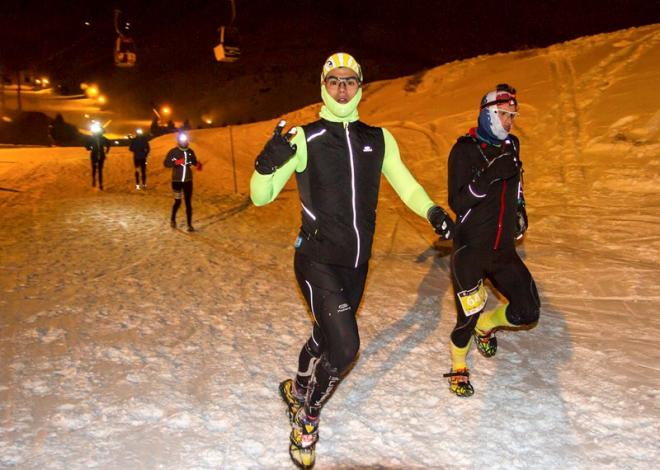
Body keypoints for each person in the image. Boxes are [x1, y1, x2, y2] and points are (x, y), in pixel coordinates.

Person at [250, 52, 454, 469]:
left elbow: (407, 185)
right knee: (345, 347)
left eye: (350, 81)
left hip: (357, 265)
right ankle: (307, 418)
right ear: (322, 87)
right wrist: (264, 166)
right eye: (333, 81)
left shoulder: (378, 139)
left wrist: (433, 211)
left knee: (326, 336)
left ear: (360, 86)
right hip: (316, 261)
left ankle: (297, 385)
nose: (342, 88)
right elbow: (261, 195)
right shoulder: (305, 138)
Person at [443, 84, 540, 397]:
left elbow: (518, 184)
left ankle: (487, 325)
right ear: (487, 113)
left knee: (528, 311)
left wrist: (520, 209)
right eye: (502, 114)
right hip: (470, 250)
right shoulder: (464, 149)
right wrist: (487, 176)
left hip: (502, 249)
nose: (508, 121)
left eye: (512, 115)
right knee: (466, 317)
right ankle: (459, 364)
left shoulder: (513, 144)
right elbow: (458, 202)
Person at [163, 132, 200, 232]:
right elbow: (166, 163)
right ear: (178, 141)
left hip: (188, 181)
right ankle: (173, 219)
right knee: (178, 202)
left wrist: (197, 164)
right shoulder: (173, 152)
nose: (184, 142)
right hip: (176, 181)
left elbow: (193, 161)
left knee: (188, 202)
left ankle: (189, 225)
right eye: (181, 141)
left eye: (185, 140)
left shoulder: (190, 151)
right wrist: (177, 162)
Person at [85, 121, 110, 190]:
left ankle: (100, 184)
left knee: (99, 170)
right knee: (95, 169)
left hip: (100, 154)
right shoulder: (92, 138)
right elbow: (86, 145)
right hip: (95, 154)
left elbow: (108, 144)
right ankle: (94, 181)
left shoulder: (102, 138)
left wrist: (107, 150)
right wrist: (89, 147)